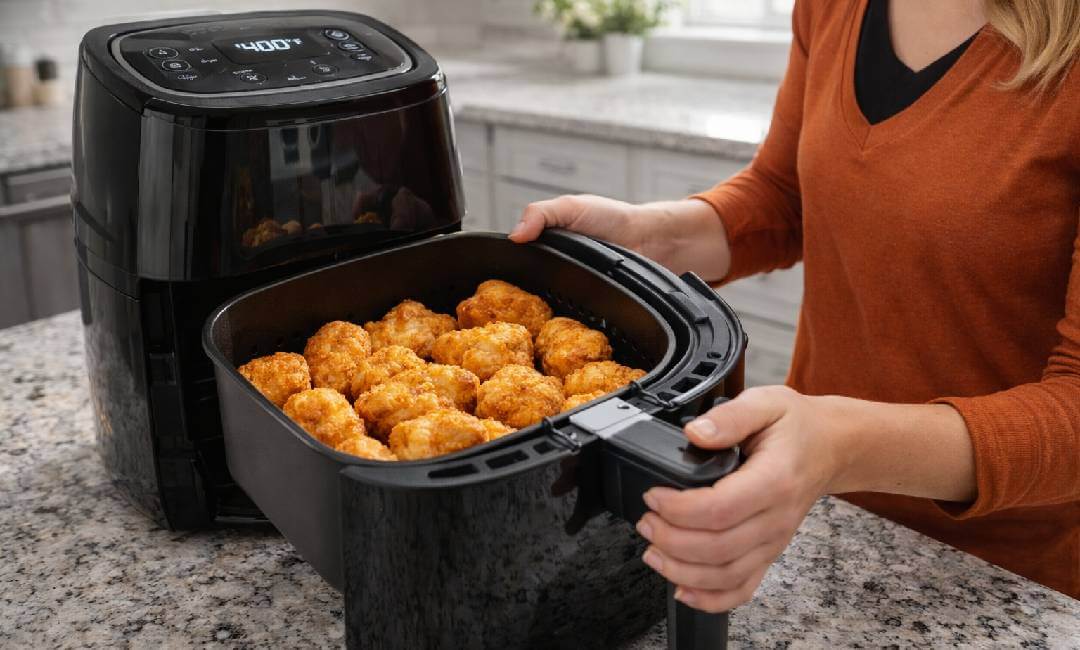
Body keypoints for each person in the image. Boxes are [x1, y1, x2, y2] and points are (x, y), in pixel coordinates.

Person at [511, 0, 1080, 608]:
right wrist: (653, 237)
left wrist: (839, 444)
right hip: (817, 510)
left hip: (1006, 576)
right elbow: (786, 196)